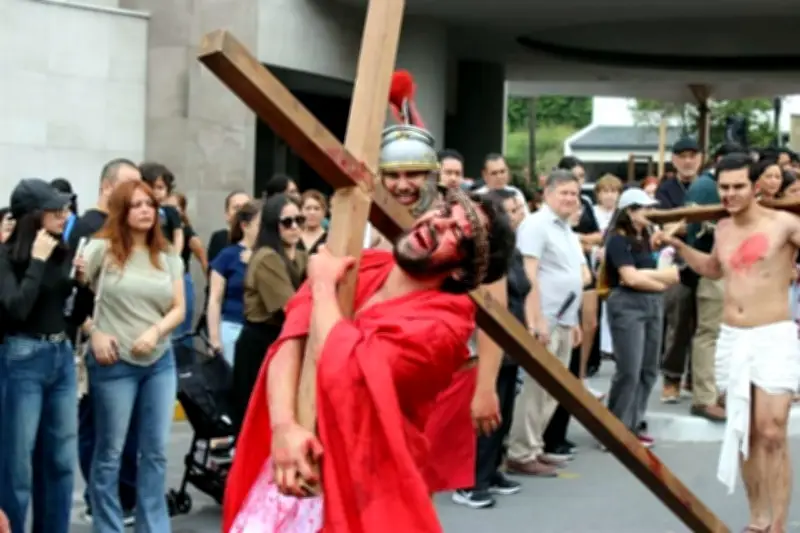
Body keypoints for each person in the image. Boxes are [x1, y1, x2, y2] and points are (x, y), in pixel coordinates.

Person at [223, 186, 515, 532]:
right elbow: (292, 341)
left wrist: (322, 288)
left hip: (363, 487)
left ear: (460, 273)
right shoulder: (365, 264)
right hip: (291, 464)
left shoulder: (445, 325)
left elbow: (345, 372)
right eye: (444, 212)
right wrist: (284, 427)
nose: (439, 224)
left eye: (457, 232)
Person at [654, 153, 800, 533]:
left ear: (755, 187)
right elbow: (714, 268)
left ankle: (779, 523)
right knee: (744, 431)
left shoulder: (785, 223)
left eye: (738, 186)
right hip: (733, 336)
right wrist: (677, 244)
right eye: (724, 187)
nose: (731, 194)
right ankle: (758, 518)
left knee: (772, 430)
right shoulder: (721, 229)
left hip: (774, 334)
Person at [76, 179, 185, 533]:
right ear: (122, 210)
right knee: (110, 452)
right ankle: (107, 525)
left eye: (150, 204)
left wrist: (155, 332)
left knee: (154, 452)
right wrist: (95, 333)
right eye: (136, 204)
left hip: (159, 362)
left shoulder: (167, 255)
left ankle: (153, 526)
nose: (144, 211)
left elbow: (179, 308)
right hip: (114, 363)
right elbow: (73, 304)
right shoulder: (99, 250)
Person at [66, 158, 142, 525]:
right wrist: (90, 328)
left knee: (122, 429)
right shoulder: (88, 228)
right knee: (97, 428)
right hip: (95, 345)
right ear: (108, 187)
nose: (137, 195)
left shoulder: (124, 228)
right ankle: (103, 499)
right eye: (130, 186)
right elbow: (72, 292)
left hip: (127, 345)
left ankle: (123, 496)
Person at [0, 179, 74, 533]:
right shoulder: (6, 257)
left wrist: (85, 288)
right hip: (22, 357)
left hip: (61, 354)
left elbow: (67, 315)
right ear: (33, 216)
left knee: (60, 461)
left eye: (65, 209)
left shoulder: (62, 250)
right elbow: (16, 309)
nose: (64, 216)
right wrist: (37, 263)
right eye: (55, 211)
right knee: (18, 466)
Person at [453, 188, 527, 509]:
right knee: (483, 411)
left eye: (515, 210)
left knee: (503, 413)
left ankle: (493, 470)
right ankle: (472, 481)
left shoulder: (513, 251)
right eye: (506, 211)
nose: (513, 216)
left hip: (511, 341)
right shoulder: (478, 254)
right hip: (483, 344)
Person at [603, 188, 679, 448]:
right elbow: (630, 277)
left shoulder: (645, 236)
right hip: (628, 303)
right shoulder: (617, 240)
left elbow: (642, 271)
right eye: (644, 208)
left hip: (651, 303)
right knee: (629, 370)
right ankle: (613, 430)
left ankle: (633, 425)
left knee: (648, 370)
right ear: (630, 211)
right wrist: (662, 280)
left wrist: (653, 277)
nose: (650, 212)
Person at [231, 194, 307, 431]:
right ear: (274, 224)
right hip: (261, 344)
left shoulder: (302, 257)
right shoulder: (267, 257)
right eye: (287, 222)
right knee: (259, 426)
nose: (295, 227)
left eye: (299, 220)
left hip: (285, 342)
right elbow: (291, 308)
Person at [207, 201, 261, 364]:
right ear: (245, 225)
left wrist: (256, 262)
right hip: (233, 327)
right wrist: (215, 339)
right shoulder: (227, 255)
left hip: (263, 330)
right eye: (261, 225)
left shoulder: (270, 257)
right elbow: (214, 300)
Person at [138, 162, 184, 252]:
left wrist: (176, 254)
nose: (155, 192)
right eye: (150, 187)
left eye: (160, 187)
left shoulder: (170, 211)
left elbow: (178, 234)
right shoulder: (138, 210)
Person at [298, 190, 327, 254]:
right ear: (300, 211)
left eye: (316, 208)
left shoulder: (329, 240)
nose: (312, 212)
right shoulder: (294, 237)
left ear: (323, 212)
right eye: (308, 208)